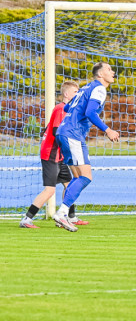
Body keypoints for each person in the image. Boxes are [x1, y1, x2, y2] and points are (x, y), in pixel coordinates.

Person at [52, 62, 120, 232]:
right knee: (86, 177)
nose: (113, 72)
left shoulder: (85, 88)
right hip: (73, 134)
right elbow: (90, 112)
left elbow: (68, 107)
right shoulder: (99, 89)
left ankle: (65, 214)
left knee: (77, 177)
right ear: (100, 74)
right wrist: (108, 130)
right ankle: (62, 213)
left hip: (63, 132)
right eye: (109, 69)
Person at [20, 81, 87, 229]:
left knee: (69, 185)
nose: (78, 95)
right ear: (66, 94)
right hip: (51, 154)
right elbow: (57, 131)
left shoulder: (69, 110)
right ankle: (26, 219)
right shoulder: (61, 108)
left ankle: (70, 217)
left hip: (59, 155)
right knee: (50, 190)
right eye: (75, 92)